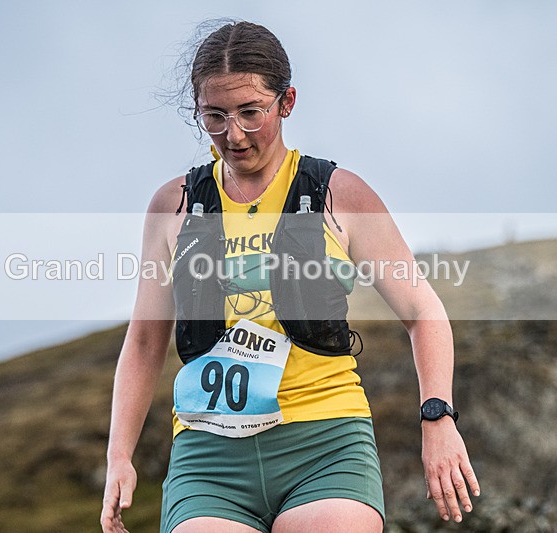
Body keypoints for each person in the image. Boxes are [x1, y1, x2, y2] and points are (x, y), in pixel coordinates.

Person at [101, 20, 480, 533]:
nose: (233, 135)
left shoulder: (338, 195)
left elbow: (422, 311)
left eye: (250, 113)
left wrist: (438, 418)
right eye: (214, 116)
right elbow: (146, 338)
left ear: (287, 102)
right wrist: (118, 457)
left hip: (325, 444)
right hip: (208, 458)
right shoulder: (174, 206)